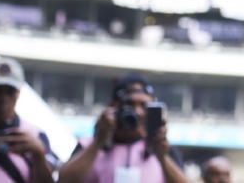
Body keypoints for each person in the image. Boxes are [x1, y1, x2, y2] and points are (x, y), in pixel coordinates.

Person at [56, 74, 187, 183]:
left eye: (144, 105)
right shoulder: (88, 144)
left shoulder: (163, 149)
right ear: (113, 106)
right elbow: (64, 181)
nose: (138, 112)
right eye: (130, 104)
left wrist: (162, 158)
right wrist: (98, 142)